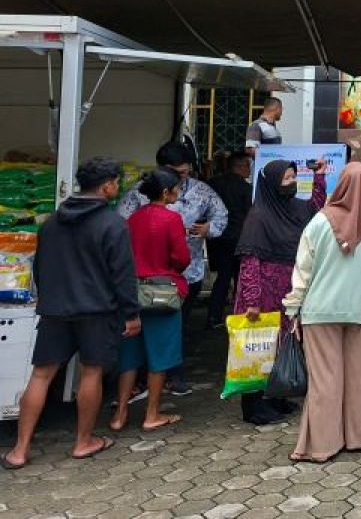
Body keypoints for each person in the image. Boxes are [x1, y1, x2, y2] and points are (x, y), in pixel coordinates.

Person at [2, 158, 139, 470]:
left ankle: (19, 450)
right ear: (106, 186)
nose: (116, 188)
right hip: (96, 311)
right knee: (91, 373)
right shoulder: (112, 223)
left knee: (40, 375)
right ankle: (84, 441)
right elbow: (122, 274)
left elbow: (39, 267)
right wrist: (131, 313)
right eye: (115, 183)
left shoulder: (51, 222)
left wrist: (48, 300)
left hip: (54, 310)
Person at [283, 163, 361, 463]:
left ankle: (322, 445)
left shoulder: (319, 222)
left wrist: (293, 309)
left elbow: (303, 271)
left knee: (325, 379)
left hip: (319, 311)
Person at [119, 141, 227, 396]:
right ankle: (146, 379)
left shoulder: (203, 192)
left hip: (185, 276)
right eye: (175, 173)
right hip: (145, 275)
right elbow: (121, 225)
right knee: (145, 328)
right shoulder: (139, 194)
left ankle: (172, 375)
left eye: (184, 172)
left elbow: (221, 216)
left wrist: (208, 229)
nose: (180, 178)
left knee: (176, 328)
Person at [233, 158, 327, 425]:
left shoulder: (294, 209)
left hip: (287, 289)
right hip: (263, 292)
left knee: (282, 344)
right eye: (286, 179)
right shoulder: (258, 216)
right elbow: (250, 261)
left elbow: (317, 210)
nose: (292, 184)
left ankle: (276, 396)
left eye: (294, 178)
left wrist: (318, 177)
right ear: (273, 184)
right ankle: (254, 407)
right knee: (259, 348)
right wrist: (251, 300)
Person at [111, 168, 190, 433]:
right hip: (162, 291)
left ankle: (120, 413)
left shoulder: (132, 218)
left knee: (129, 356)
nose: (179, 192)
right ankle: (152, 413)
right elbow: (181, 258)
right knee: (160, 355)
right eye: (176, 188)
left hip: (132, 291)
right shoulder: (172, 219)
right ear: (166, 192)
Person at [206, 151, 253, 328]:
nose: (250, 169)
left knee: (223, 278)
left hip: (217, 237)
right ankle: (239, 315)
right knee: (241, 279)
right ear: (239, 166)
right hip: (239, 237)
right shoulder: (246, 189)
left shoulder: (213, 184)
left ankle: (213, 316)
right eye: (248, 165)